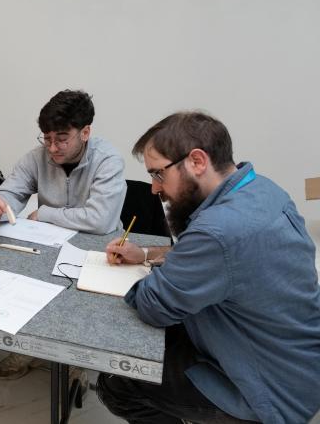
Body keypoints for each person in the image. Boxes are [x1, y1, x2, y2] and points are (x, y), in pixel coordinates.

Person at [98, 112, 320, 424]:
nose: (154, 188)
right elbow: (215, 256)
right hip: (299, 366)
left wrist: (151, 280)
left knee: (117, 382)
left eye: (158, 174)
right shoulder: (263, 191)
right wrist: (146, 252)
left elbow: (152, 305)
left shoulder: (217, 231)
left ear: (197, 161)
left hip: (266, 394)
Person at [0, 89, 126, 380]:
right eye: (46, 138)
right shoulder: (36, 158)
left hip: (99, 248)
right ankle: (29, 347)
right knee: (28, 288)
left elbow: (99, 220)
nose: (52, 147)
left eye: (62, 138)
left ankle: (78, 356)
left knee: (85, 305)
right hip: (49, 245)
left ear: (85, 132)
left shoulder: (107, 160)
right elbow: (7, 193)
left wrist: (45, 213)